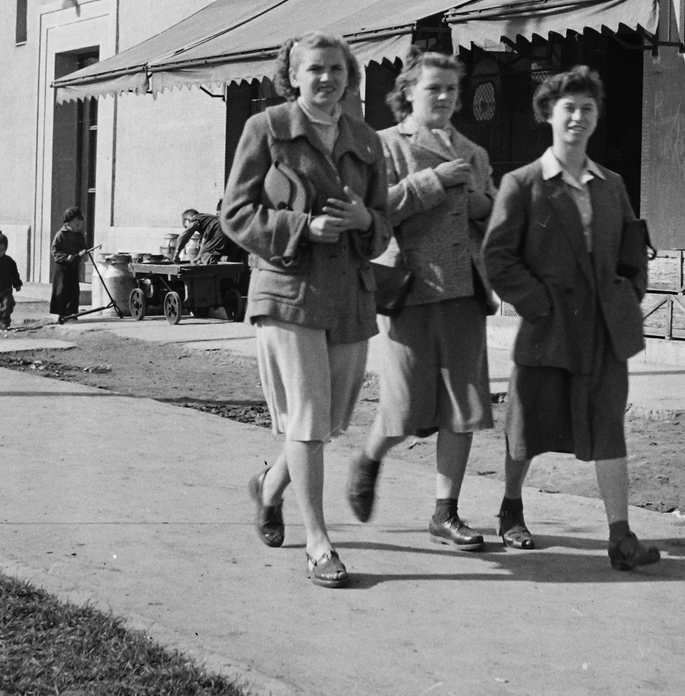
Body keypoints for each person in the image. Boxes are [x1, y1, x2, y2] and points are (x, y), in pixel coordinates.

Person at [221, 30, 390, 589]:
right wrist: (301, 227)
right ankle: (319, 544)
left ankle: (269, 490)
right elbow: (235, 215)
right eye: (314, 69)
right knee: (310, 418)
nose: (326, 79)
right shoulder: (266, 130)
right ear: (292, 76)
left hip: (348, 299)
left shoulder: (366, 140)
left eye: (336, 70)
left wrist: (367, 223)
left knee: (324, 422)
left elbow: (384, 223)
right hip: (287, 291)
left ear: (349, 77)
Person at [482, 65, 661, 571]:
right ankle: (511, 508)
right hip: (548, 329)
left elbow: (633, 249)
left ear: (597, 116)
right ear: (548, 115)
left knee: (609, 427)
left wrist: (629, 295)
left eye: (587, 109)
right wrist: (536, 303)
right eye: (568, 109)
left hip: (605, 332)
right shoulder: (522, 184)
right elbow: (498, 258)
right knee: (527, 427)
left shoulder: (612, 184)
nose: (578, 118)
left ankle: (620, 537)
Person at [345, 49, 497, 550]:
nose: (445, 98)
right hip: (409, 290)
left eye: (452, 90)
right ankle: (369, 458)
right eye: (434, 88)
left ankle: (445, 512)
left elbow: (492, 216)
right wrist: (434, 182)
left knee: (464, 407)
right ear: (408, 91)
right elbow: (376, 213)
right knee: (405, 406)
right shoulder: (384, 146)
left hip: (463, 291)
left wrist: (481, 206)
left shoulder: (473, 152)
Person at [49, 206, 87, 322]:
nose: (78, 227)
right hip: (62, 268)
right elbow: (55, 250)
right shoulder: (61, 234)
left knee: (74, 290)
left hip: (74, 266)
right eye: (76, 224)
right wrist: (66, 257)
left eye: (80, 224)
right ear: (69, 222)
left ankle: (72, 312)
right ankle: (62, 313)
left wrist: (83, 252)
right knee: (62, 290)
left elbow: (83, 247)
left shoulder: (79, 235)